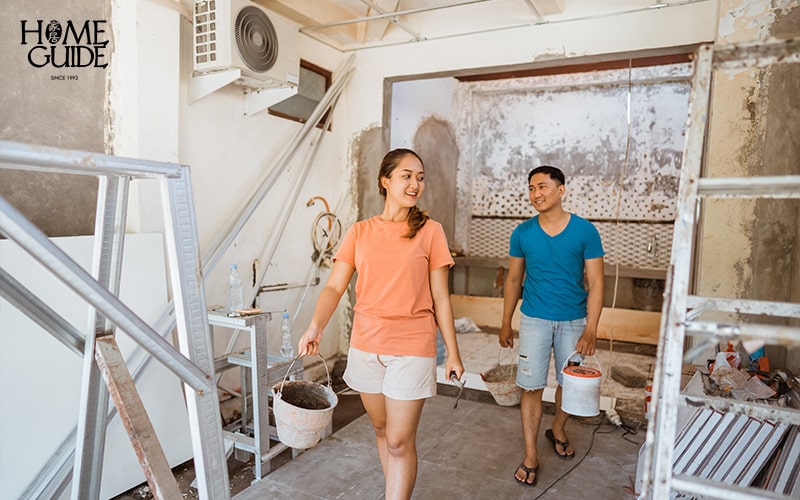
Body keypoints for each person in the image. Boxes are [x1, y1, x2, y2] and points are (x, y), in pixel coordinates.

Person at [298, 148, 465, 500]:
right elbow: (333, 286)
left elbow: (441, 298)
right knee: (381, 429)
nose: (415, 183)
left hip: (412, 346)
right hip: (366, 345)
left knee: (400, 441)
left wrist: (453, 352)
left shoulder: (431, 231)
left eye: (420, 177)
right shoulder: (360, 232)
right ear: (385, 181)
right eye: (407, 175)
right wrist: (316, 325)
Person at [499, 165, 604, 487]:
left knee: (568, 384)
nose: (536, 194)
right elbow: (514, 279)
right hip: (534, 320)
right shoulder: (523, 233)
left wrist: (591, 329)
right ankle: (531, 453)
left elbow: (597, 283)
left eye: (542, 186)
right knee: (530, 386)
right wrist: (505, 322)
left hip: (574, 321)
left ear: (561, 190)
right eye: (531, 188)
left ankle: (558, 426)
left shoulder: (585, 231)